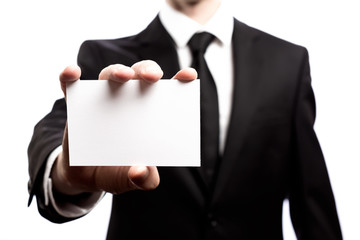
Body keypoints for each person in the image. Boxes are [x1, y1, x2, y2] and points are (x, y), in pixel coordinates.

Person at [27, 0, 343, 239]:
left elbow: (310, 195)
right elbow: (58, 128)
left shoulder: (288, 61)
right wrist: (66, 174)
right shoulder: (108, 59)